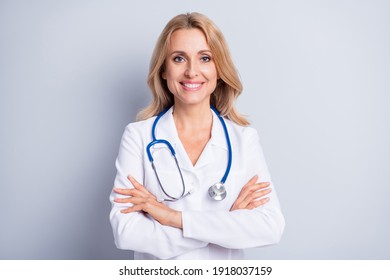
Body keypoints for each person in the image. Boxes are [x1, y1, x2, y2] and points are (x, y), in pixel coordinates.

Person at [109, 12, 285, 260]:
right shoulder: (138, 136)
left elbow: (269, 227)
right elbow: (126, 232)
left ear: (218, 69)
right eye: (179, 58)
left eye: (205, 58)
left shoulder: (244, 140)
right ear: (163, 70)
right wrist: (225, 224)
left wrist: (172, 218)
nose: (192, 71)